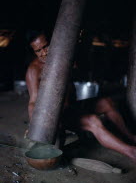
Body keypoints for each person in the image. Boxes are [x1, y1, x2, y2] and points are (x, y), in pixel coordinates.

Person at [25, 30, 136, 162]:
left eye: (46, 46)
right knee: (93, 121)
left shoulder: (61, 58)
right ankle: (132, 152)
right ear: (34, 52)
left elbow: (77, 73)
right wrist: (35, 126)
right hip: (57, 117)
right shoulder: (34, 70)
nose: (44, 52)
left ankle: (131, 137)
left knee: (107, 102)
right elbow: (33, 102)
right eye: (38, 50)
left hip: (72, 106)